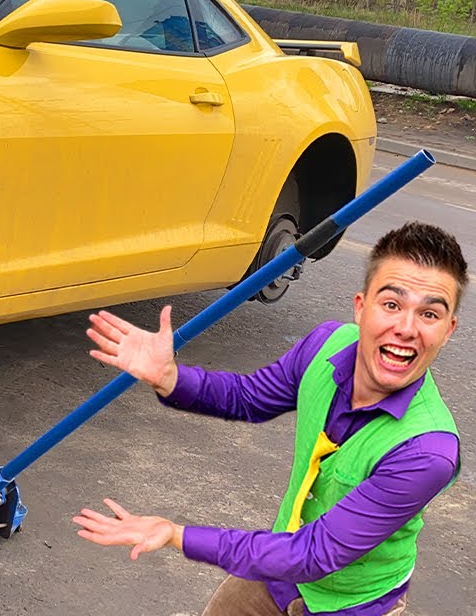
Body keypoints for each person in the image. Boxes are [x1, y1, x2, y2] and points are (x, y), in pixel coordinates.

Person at [74, 221, 466, 616]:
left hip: (352, 603)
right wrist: (170, 378)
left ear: (448, 331)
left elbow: (315, 554)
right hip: (275, 565)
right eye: (392, 305)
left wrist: (177, 535)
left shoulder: (427, 451)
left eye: (429, 314)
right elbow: (250, 397)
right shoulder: (326, 344)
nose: (405, 329)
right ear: (361, 308)